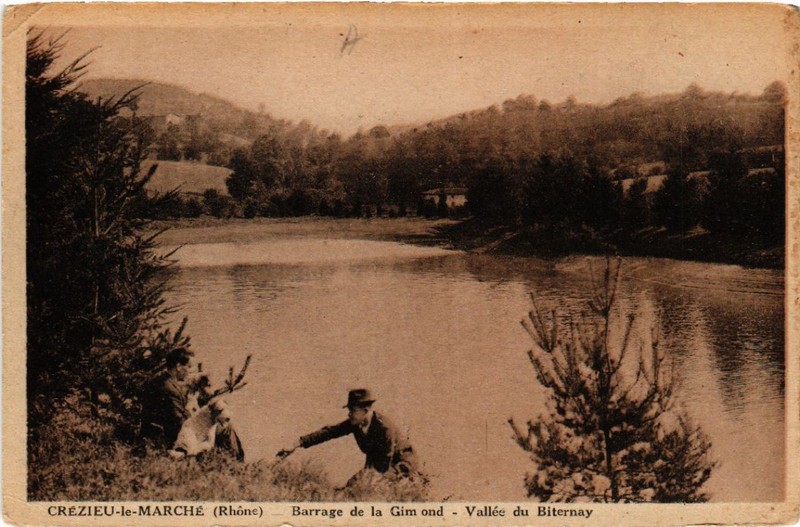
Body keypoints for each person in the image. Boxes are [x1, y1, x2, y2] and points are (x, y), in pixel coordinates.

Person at [277, 389, 419, 479]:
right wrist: (297, 443)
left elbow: (383, 464)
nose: (349, 413)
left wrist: (366, 479)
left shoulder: (385, 428)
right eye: (349, 409)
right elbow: (329, 432)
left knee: (359, 485)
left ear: (366, 410)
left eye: (353, 409)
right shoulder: (355, 423)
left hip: (401, 464)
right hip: (378, 463)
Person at [141, 347, 245, 461]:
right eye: (189, 366)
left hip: (157, 433)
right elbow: (178, 421)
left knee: (218, 424)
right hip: (168, 437)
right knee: (224, 427)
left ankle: (231, 462)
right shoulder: (169, 389)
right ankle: (235, 464)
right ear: (179, 366)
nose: (191, 371)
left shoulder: (162, 381)